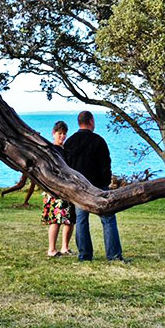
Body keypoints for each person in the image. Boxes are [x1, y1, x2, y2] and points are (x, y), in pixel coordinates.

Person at [64, 111, 123, 261]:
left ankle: (84, 255)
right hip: (98, 186)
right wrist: (105, 183)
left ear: (79, 122)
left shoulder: (70, 142)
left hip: (79, 188)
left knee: (81, 220)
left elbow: (66, 167)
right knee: (108, 219)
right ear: (91, 121)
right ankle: (113, 255)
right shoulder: (98, 141)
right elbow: (105, 165)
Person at [41, 121, 74, 256]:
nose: (62, 136)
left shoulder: (65, 150)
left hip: (68, 188)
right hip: (55, 189)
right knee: (56, 220)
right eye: (60, 133)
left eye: (64, 134)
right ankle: (51, 249)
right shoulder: (51, 150)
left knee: (70, 219)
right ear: (54, 133)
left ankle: (65, 247)